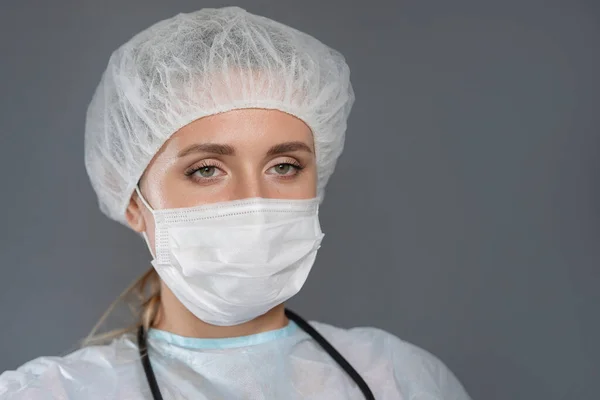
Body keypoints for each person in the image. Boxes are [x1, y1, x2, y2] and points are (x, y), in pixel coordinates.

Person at [0, 7, 470, 399]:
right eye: (206, 169)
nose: (256, 202)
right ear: (134, 201)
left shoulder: (398, 379)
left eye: (284, 165)